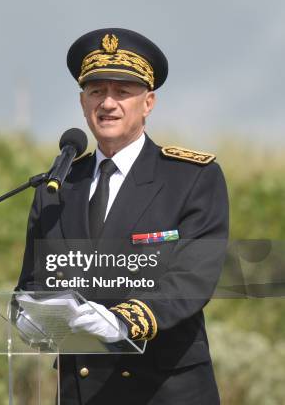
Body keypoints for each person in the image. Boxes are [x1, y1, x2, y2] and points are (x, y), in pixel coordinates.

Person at [16, 28, 229, 404]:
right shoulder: (57, 188)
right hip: (82, 389)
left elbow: (192, 278)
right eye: (97, 91)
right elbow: (34, 281)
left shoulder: (191, 177)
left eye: (123, 92)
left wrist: (123, 321)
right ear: (83, 103)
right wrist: (28, 315)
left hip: (165, 389)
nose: (108, 103)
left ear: (148, 103)